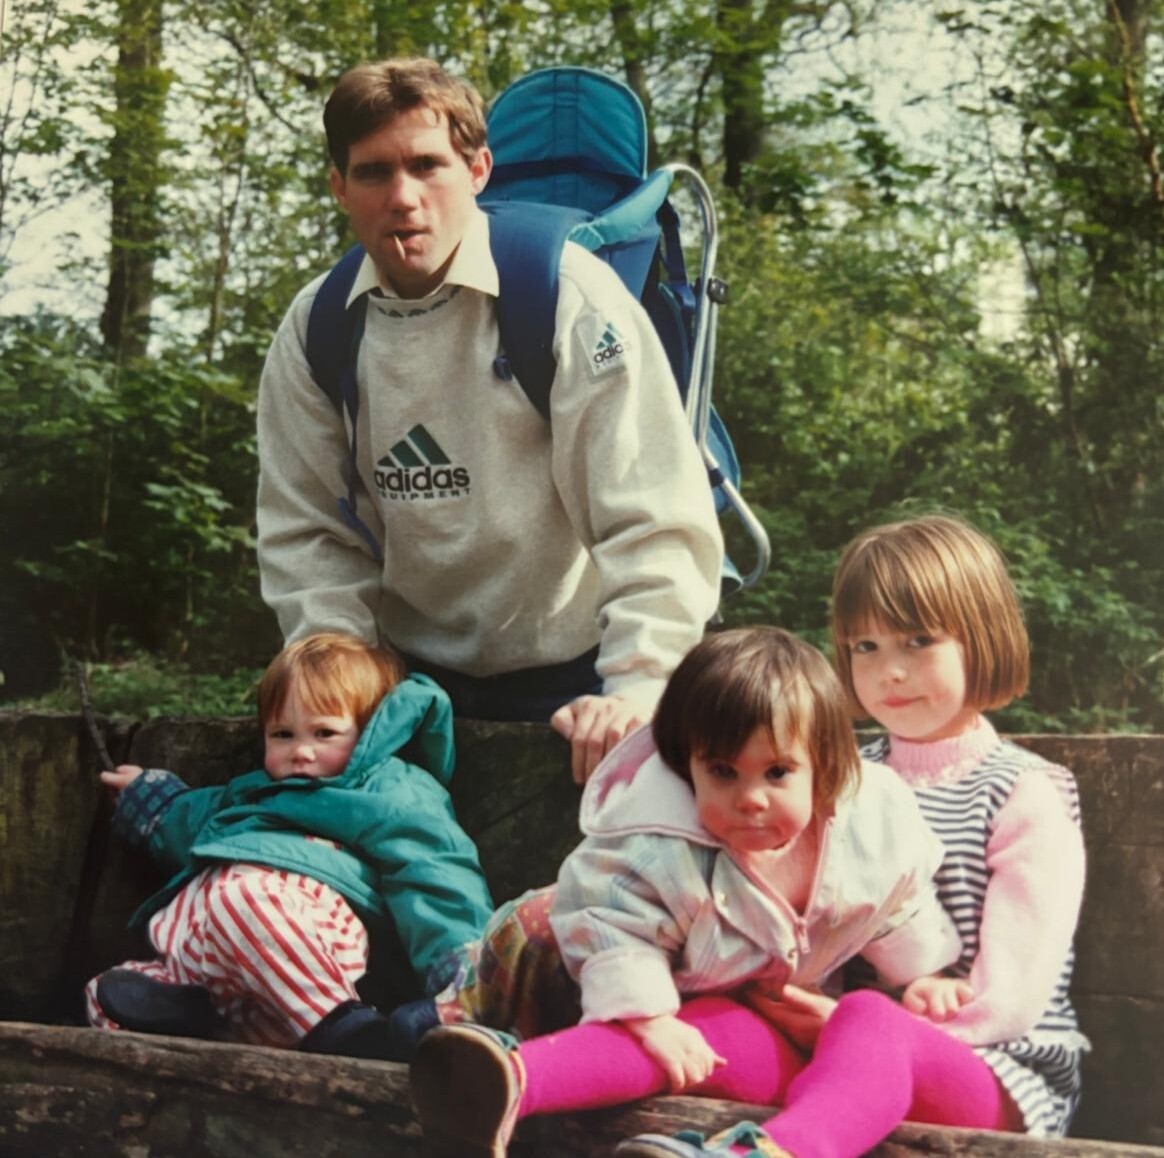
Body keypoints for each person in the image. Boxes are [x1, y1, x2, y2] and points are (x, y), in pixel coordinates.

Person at [255, 57, 723, 784]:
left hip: (582, 672)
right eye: (375, 173)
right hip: (406, 680)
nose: (404, 198)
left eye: (427, 165)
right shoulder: (318, 324)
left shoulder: (567, 299)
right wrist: (336, 687)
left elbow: (654, 515)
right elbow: (307, 532)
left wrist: (639, 684)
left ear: (478, 170)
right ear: (340, 187)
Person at [613, 514, 1087, 1157]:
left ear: (983, 640)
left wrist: (844, 1025)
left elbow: (1013, 998)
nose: (889, 670)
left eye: (917, 641)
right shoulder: (833, 769)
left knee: (870, 1021)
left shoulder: (1023, 792)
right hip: (831, 1050)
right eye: (865, 647)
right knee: (702, 1027)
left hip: (990, 1070)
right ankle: (512, 1080)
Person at [408, 626, 965, 1156]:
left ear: (823, 767)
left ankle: (506, 1078)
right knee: (663, 1024)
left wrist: (921, 973)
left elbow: (896, 899)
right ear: (686, 765)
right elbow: (611, 923)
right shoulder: (660, 847)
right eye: (723, 772)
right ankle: (483, 1071)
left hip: (752, 1013)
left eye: (776, 773)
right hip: (582, 984)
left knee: (710, 1035)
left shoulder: (867, 836)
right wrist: (648, 1017)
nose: (750, 798)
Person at [84, 632, 493, 1060]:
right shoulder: (254, 793)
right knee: (104, 994)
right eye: (282, 734)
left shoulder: (388, 793)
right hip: (215, 965)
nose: (301, 751)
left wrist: (459, 972)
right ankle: (207, 1022)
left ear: (369, 731)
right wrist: (152, 802)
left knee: (242, 897)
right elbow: (196, 818)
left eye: (324, 732)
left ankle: (350, 1027)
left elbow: (434, 874)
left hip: (299, 930)